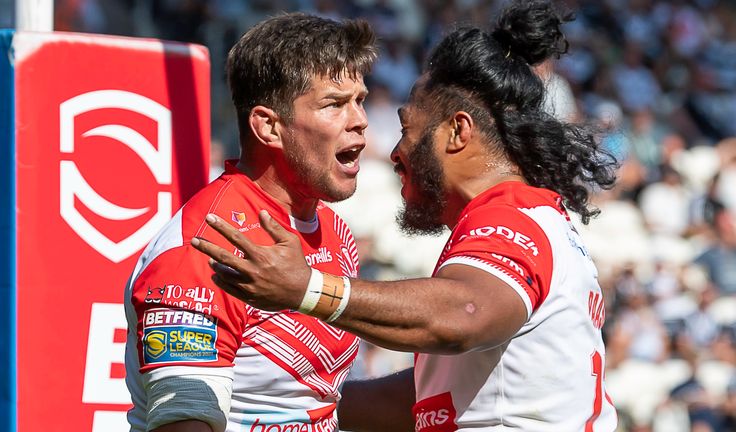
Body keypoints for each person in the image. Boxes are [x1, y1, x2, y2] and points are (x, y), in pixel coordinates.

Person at [192, 1, 621, 431]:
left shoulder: (511, 220)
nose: (396, 153)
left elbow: (466, 313)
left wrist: (307, 289)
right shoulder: (533, 218)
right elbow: (423, 399)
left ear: (458, 131)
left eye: (406, 129)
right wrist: (276, 404)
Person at [123, 13, 376, 432]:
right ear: (268, 126)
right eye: (334, 104)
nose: (359, 120)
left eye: (360, 100)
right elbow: (183, 421)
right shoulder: (205, 246)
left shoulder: (335, 230)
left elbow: (317, 400)